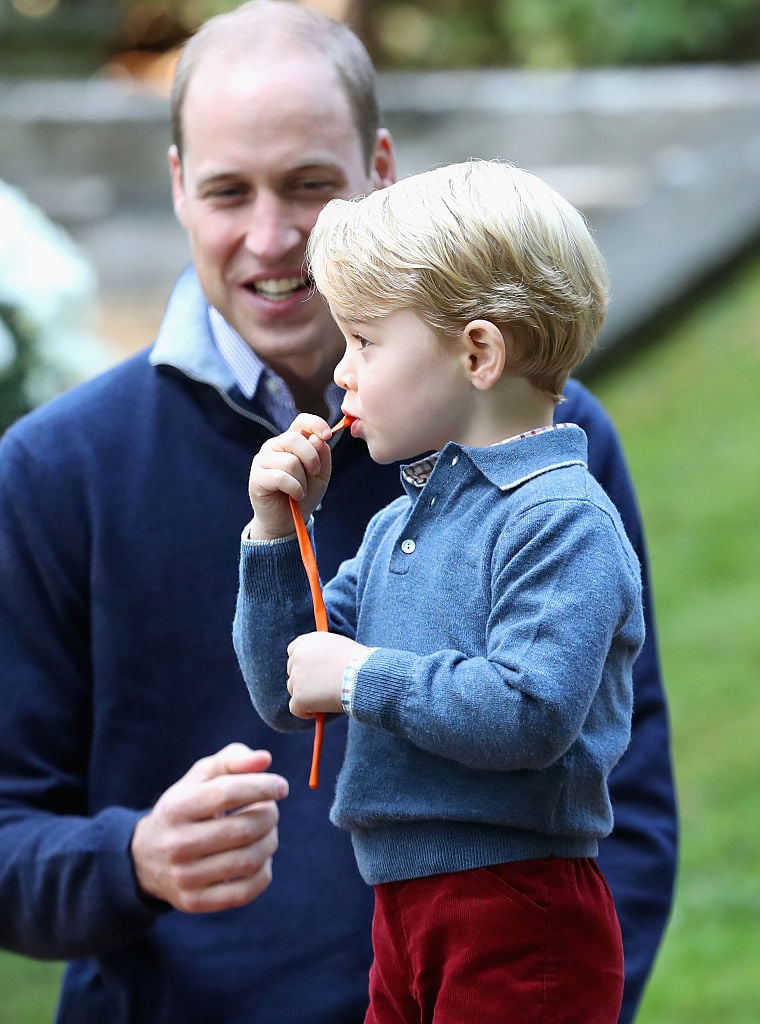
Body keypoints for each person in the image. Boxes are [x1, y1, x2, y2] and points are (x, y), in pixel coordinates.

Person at [0, 3, 675, 1023]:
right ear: (178, 185)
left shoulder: (543, 447)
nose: (273, 239)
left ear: (380, 168)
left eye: (310, 185)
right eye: (229, 191)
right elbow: (279, 680)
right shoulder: (56, 468)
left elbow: (620, 783)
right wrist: (129, 856)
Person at [234, 158, 645, 1023]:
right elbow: (284, 685)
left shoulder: (560, 519)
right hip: (402, 907)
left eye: (366, 342)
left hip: (519, 907)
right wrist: (276, 536)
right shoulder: (399, 526)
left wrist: (359, 676)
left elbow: (529, 712)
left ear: (478, 352)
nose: (341, 372)